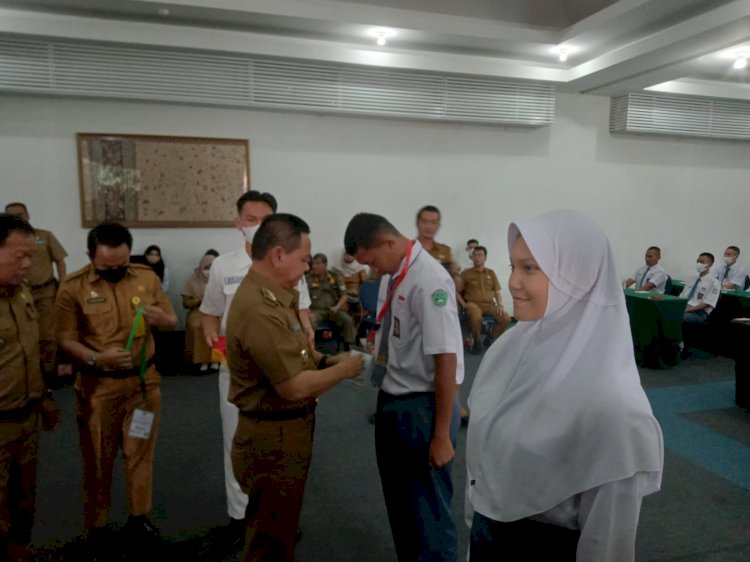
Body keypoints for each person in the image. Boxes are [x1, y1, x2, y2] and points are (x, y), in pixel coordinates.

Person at [466, 210, 664, 562]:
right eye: (512, 266)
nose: (512, 282)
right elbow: (485, 462)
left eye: (530, 268)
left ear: (577, 276)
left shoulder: (615, 409)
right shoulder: (508, 351)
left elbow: (606, 547)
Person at [226, 213, 363, 562]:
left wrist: (325, 360)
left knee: (279, 531)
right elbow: (294, 386)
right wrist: (344, 370)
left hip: (283, 433)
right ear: (277, 255)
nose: (307, 267)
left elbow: (297, 354)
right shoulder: (260, 308)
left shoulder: (274, 295)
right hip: (273, 439)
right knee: (269, 542)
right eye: (303, 259)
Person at [199, 191, 315, 551]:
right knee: (236, 445)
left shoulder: (291, 263)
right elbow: (210, 316)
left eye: (266, 220)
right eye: (251, 220)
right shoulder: (224, 266)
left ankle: (276, 517)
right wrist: (221, 351)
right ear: (238, 223)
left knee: (282, 450)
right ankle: (240, 518)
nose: (258, 227)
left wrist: (308, 348)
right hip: (239, 375)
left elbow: (303, 314)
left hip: (283, 372)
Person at [345, 212, 463, 561]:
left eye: (374, 260)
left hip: (425, 408)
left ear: (389, 242)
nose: (374, 270)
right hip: (393, 401)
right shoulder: (392, 275)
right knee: (401, 505)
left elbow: (446, 359)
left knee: (429, 512)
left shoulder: (430, 280)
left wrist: (441, 435)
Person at [55, 222, 177, 559]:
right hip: (98, 388)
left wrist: (161, 320)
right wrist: (96, 357)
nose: (115, 271)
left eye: (121, 265)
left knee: (140, 455)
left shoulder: (146, 277)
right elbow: (65, 340)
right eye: (107, 267)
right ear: (91, 256)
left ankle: (139, 522)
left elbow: (171, 320)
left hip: (142, 384)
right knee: (98, 459)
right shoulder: (72, 288)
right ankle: (98, 530)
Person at [0, 213, 60, 562]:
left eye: (30, 257)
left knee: (24, 497)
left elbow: (31, 351)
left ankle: (20, 552)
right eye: (18, 257)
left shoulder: (21, 293)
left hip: (26, 418)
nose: (27, 265)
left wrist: (46, 396)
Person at [4, 202, 67, 382]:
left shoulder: (44, 236)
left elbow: (60, 260)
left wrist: (63, 284)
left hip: (45, 291)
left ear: (28, 215)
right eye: (12, 215)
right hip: (19, 293)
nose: (26, 264)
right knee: (23, 337)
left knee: (47, 334)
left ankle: (48, 375)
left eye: (21, 214)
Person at [458, 245, 511, 354]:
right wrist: (463, 304)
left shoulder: (491, 273)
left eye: (480, 255)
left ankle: (490, 338)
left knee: (505, 318)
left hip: (490, 305)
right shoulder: (465, 274)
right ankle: (476, 341)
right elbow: (456, 291)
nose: (477, 258)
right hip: (473, 304)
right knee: (476, 317)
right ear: (472, 257)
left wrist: (500, 304)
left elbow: (497, 292)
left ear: (485, 258)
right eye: (475, 255)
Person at [307, 253, 356, 351]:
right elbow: (302, 298)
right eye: (313, 264)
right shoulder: (308, 278)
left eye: (317, 263)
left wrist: (337, 306)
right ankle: (312, 349)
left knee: (348, 320)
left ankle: (348, 347)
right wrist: (308, 312)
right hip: (316, 310)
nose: (314, 266)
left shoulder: (334, 276)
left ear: (325, 265)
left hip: (332, 309)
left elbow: (344, 294)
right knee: (309, 323)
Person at [182, 249, 219, 373]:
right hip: (198, 311)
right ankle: (202, 360)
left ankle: (217, 360)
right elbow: (185, 304)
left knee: (221, 326)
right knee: (197, 325)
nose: (209, 270)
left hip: (217, 311)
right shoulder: (192, 280)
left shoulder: (221, 279)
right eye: (206, 267)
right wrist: (198, 299)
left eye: (212, 267)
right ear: (201, 267)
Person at [334, 251, 368, 326]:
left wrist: (358, 292)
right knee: (342, 310)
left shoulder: (360, 269)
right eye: (346, 254)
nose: (348, 256)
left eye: (351, 254)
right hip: (343, 296)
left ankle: (356, 333)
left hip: (357, 296)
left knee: (361, 311)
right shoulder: (337, 270)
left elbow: (365, 284)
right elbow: (335, 285)